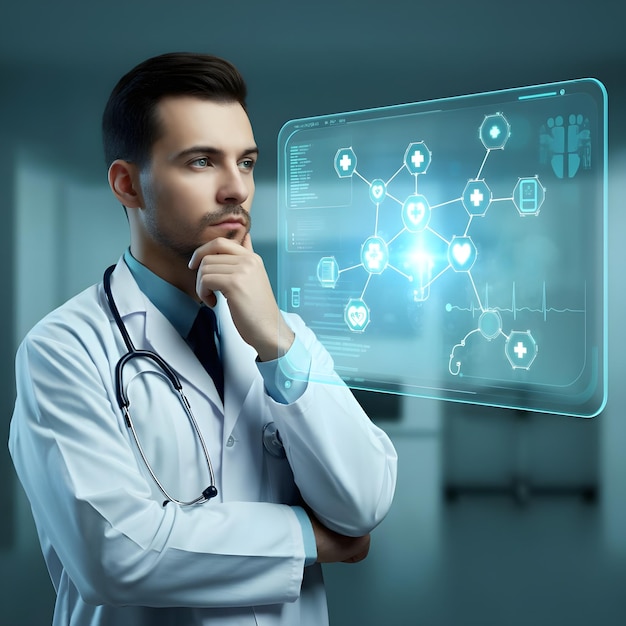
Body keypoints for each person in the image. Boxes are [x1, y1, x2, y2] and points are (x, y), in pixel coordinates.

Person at [8, 52, 398, 625]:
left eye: (246, 162)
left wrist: (279, 347)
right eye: (200, 162)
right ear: (127, 184)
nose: (235, 189)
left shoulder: (278, 334)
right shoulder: (63, 350)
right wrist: (307, 538)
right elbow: (113, 555)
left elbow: (363, 503)